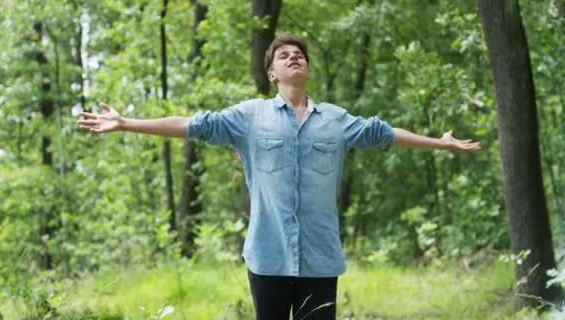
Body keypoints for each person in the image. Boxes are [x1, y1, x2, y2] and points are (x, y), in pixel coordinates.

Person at [77, 32, 480, 320]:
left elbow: (384, 134)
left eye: (299, 54)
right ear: (272, 73)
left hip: (320, 259)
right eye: (284, 55)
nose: (293, 57)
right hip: (267, 258)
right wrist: (128, 123)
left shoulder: (336, 121)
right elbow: (192, 124)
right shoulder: (248, 117)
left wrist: (439, 143)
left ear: (306, 69)